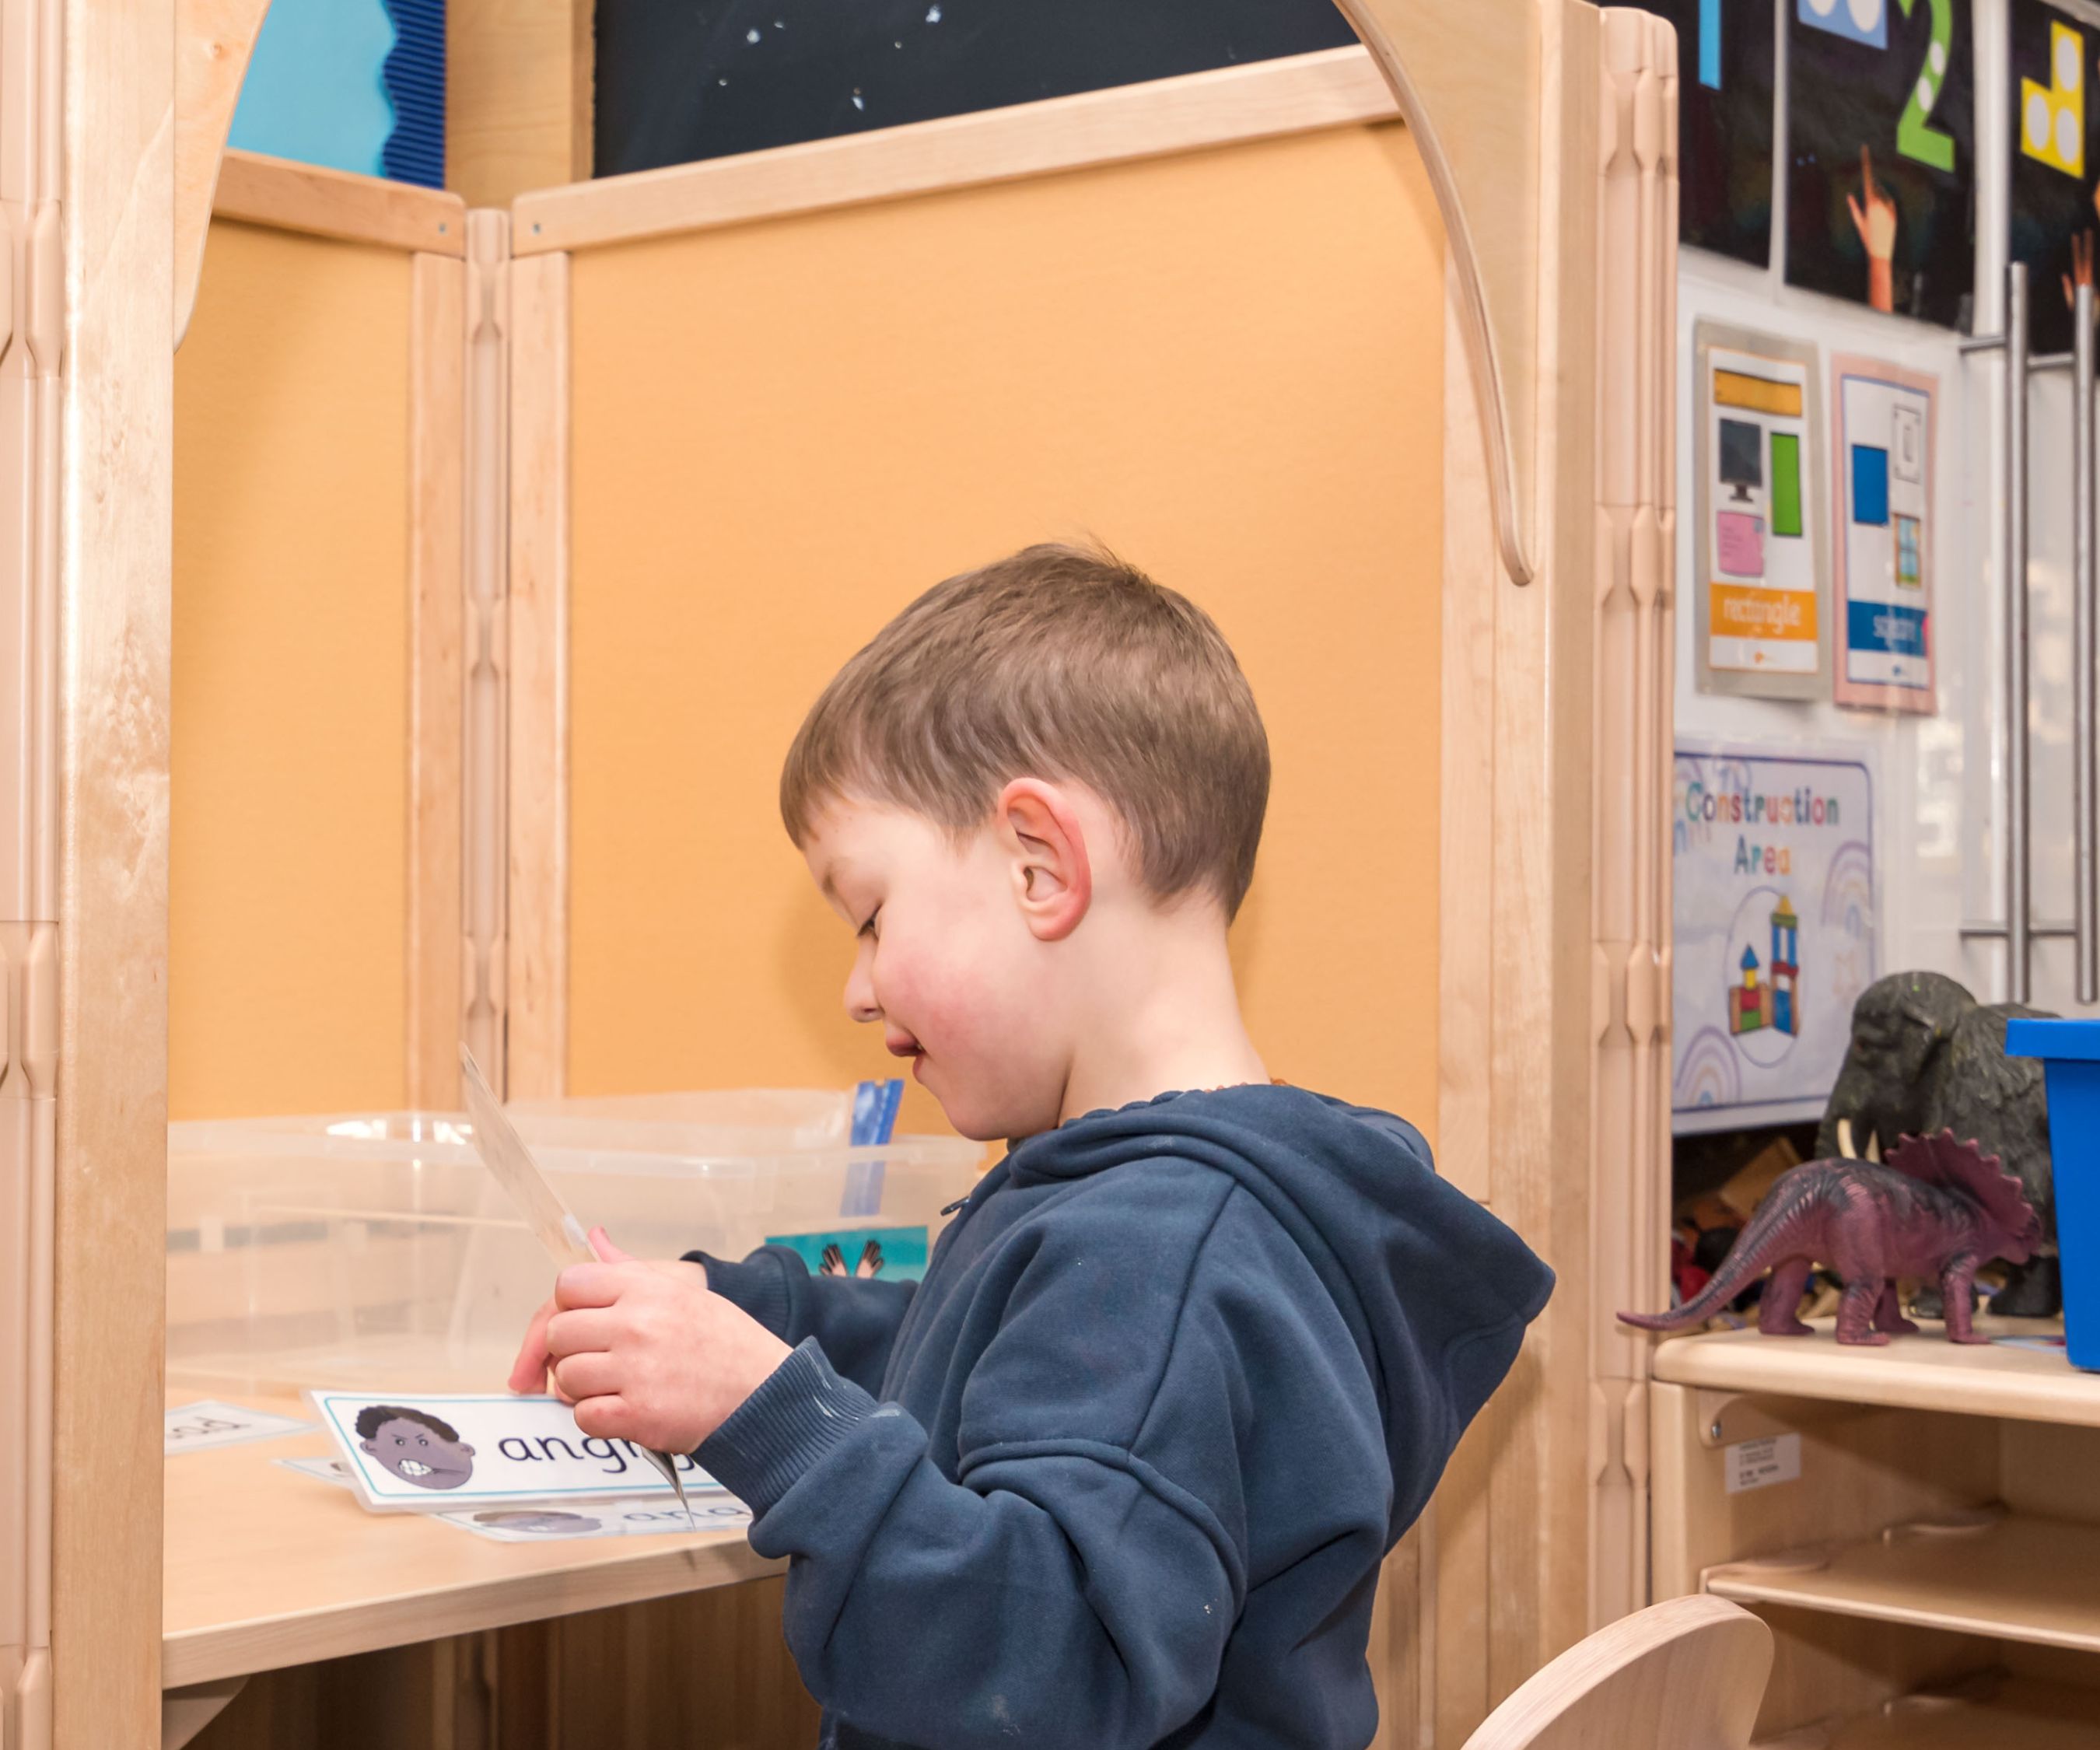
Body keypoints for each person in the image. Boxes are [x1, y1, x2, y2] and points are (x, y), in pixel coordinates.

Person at [509, 544, 1553, 1748]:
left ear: (1040, 863)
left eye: (872, 916)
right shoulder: (1176, 1210)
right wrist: (748, 1310)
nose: (855, 987)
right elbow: (987, 1369)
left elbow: (1039, 1667)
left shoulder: (1155, 1254)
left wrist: (768, 1413)